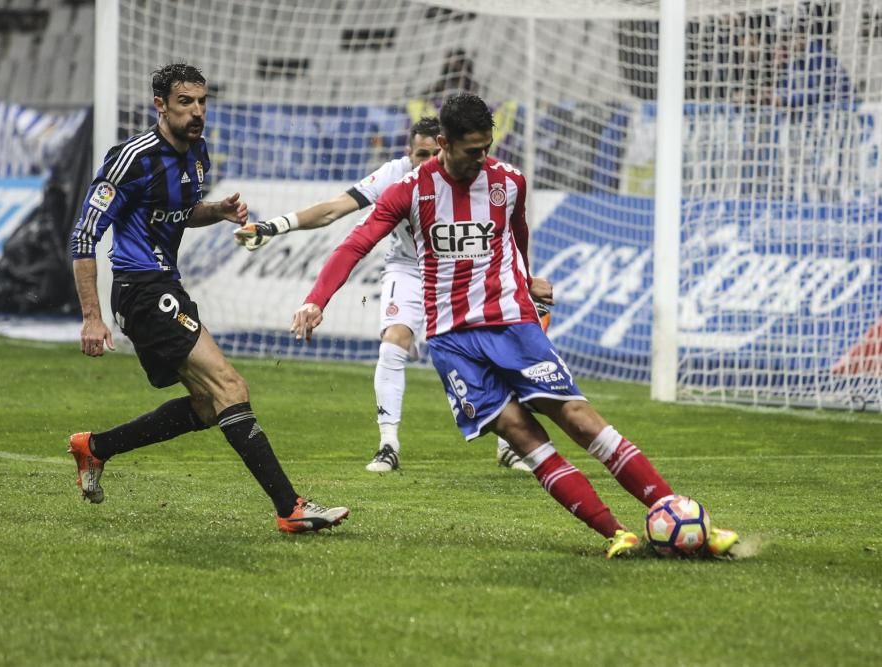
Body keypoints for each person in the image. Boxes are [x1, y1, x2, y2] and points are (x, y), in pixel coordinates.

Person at [290, 93, 739, 557]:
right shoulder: (409, 190)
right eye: (471, 150)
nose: (481, 157)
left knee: (580, 419)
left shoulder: (509, 182)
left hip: (512, 325)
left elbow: (516, 237)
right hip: (452, 342)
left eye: (487, 147)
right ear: (443, 143)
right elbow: (354, 244)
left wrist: (525, 280)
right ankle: (615, 533)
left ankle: (677, 512)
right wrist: (315, 300)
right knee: (524, 437)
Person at [68, 63, 348, 533]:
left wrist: (214, 211)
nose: (197, 112)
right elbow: (83, 235)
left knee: (206, 404)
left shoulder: (198, 153)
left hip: (165, 286)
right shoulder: (131, 157)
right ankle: (290, 508)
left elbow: (177, 211)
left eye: (201, 101)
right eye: (185, 102)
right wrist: (91, 317)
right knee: (231, 388)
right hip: (141, 289)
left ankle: (95, 448)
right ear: (160, 105)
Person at [234, 117, 531, 473]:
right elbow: (335, 211)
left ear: (447, 147)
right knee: (394, 340)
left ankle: (509, 444)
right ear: (409, 153)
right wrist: (275, 227)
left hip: (463, 272)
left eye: (434, 153)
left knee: (492, 347)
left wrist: (526, 281)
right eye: (421, 154)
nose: (427, 161)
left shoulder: (482, 177)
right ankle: (388, 444)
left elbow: (514, 236)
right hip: (409, 268)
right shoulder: (398, 179)